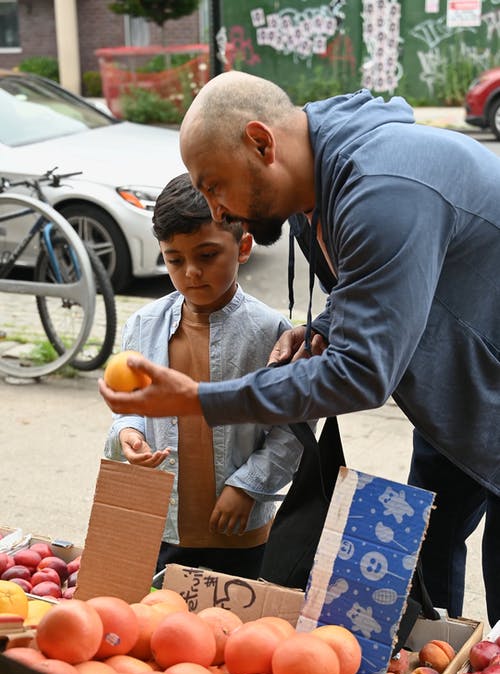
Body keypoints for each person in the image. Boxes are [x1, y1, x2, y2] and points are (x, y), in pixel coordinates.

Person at [99, 72, 500, 625]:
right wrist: (326, 325)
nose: (216, 211)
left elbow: (361, 375)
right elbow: (378, 282)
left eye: (215, 186)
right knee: (427, 561)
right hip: (463, 385)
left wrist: (201, 398)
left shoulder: (381, 189)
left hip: (482, 381)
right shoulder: (320, 185)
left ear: (263, 144)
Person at [103, 172, 303, 580]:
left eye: (207, 255)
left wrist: (248, 485)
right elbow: (129, 408)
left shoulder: (273, 332)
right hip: (164, 524)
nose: (191, 272)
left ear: (243, 246)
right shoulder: (142, 325)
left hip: (242, 530)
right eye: (175, 260)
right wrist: (129, 435)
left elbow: (293, 428)